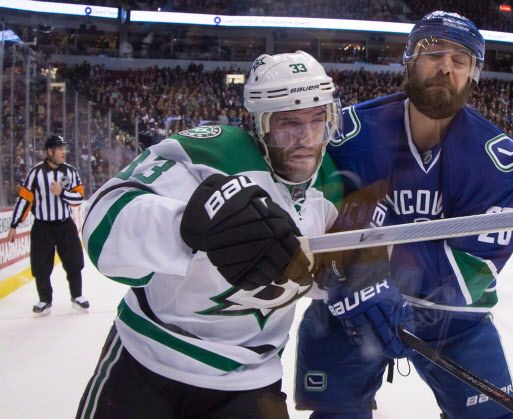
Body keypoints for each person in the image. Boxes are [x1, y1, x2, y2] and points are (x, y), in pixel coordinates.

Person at [76, 51, 343, 419]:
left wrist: (355, 280)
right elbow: (103, 223)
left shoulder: (334, 187)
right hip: (147, 364)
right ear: (261, 124)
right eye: (288, 122)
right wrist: (189, 225)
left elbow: (325, 277)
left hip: (251, 384)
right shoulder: (212, 154)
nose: (307, 139)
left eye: (318, 120)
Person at [295, 11, 513, 418]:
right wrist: (360, 279)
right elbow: (313, 221)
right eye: (432, 52)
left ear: (474, 73)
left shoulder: (498, 160)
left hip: (452, 321)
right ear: (409, 59)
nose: (445, 66)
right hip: (350, 308)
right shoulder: (348, 134)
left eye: (461, 60)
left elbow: (474, 271)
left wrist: (379, 256)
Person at [8, 135, 88, 317]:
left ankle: (77, 296)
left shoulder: (69, 172)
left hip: (65, 224)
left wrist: (62, 193)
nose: (63, 152)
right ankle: (45, 300)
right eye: (59, 149)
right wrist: (14, 224)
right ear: (50, 151)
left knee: (74, 261)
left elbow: (78, 198)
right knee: (40, 265)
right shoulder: (35, 173)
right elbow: (24, 199)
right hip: (43, 226)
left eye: (64, 149)